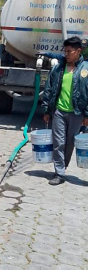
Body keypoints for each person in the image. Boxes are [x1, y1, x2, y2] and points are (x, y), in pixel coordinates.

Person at [42, 36, 88, 185]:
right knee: (58, 142)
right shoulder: (58, 68)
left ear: (78, 51)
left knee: (70, 143)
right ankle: (59, 173)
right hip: (59, 111)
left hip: (77, 113)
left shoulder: (85, 69)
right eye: (65, 51)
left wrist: (86, 114)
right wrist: (47, 110)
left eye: (69, 51)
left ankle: (63, 166)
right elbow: (49, 89)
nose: (66, 54)